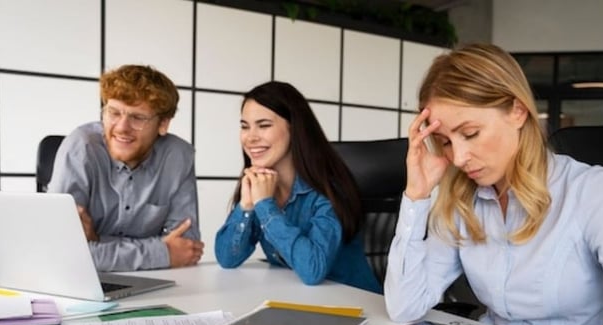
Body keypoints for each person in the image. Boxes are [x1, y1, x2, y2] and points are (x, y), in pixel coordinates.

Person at [384, 43, 603, 325]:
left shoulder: (591, 190)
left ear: (517, 111)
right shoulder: (461, 199)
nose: (460, 157)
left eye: (470, 133)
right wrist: (416, 196)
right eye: (445, 141)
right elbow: (405, 307)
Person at [215, 81, 381, 294]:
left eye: (264, 125)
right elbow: (227, 258)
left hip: (356, 307)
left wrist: (265, 206)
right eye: (245, 126)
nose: (251, 137)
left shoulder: (329, 189)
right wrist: (246, 206)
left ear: (294, 128)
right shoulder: (262, 185)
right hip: (304, 303)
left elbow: (313, 270)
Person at [48, 64, 203, 271]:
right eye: (113, 113)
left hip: (156, 282)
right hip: (81, 282)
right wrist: (161, 252)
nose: (121, 127)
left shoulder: (178, 156)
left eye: (137, 118)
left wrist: (96, 240)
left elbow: (186, 249)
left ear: (163, 124)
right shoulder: (81, 147)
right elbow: (61, 252)